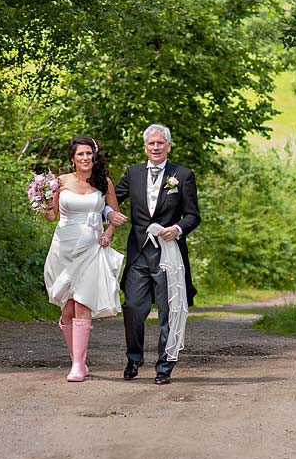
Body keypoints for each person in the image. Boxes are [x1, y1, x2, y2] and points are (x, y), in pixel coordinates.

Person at [107, 124, 200, 385]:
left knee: (168, 311)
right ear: (145, 147)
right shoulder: (133, 173)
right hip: (139, 253)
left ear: (168, 146)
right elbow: (111, 200)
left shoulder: (182, 175)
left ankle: (164, 366)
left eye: (160, 143)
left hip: (169, 255)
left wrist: (178, 228)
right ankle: (134, 358)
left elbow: (193, 215)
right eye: (151, 144)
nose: (156, 148)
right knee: (133, 307)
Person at [43, 136, 123, 382]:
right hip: (63, 247)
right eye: (81, 154)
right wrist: (43, 202)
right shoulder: (60, 181)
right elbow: (51, 216)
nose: (86, 158)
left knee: (82, 302)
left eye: (89, 154)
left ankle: (78, 366)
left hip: (91, 247)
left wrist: (108, 233)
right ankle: (78, 360)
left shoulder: (103, 182)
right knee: (67, 310)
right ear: (73, 158)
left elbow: (115, 214)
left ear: (94, 156)